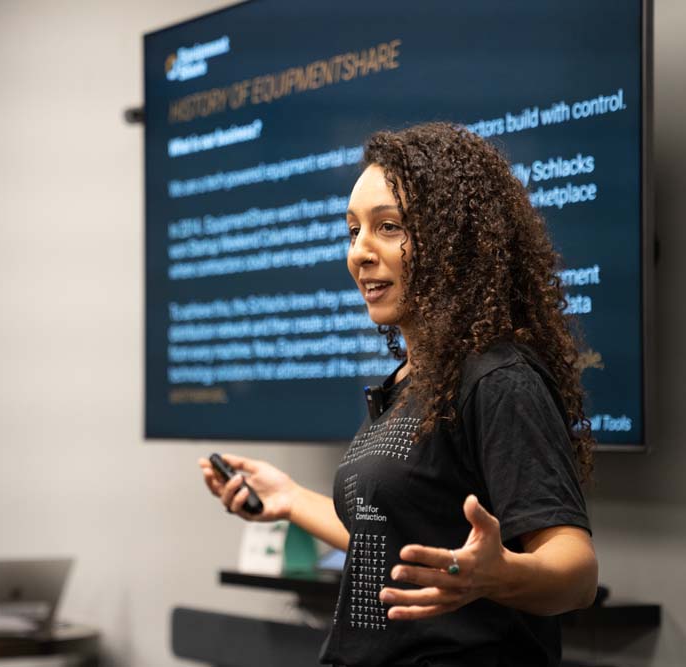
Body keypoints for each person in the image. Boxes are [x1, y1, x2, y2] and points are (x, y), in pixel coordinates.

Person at [198, 122, 598, 667]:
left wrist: (498, 575)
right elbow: (396, 538)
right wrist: (289, 499)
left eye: (388, 227)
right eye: (352, 231)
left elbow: (575, 573)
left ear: (454, 240)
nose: (359, 252)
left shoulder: (497, 377)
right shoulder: (412, 381)